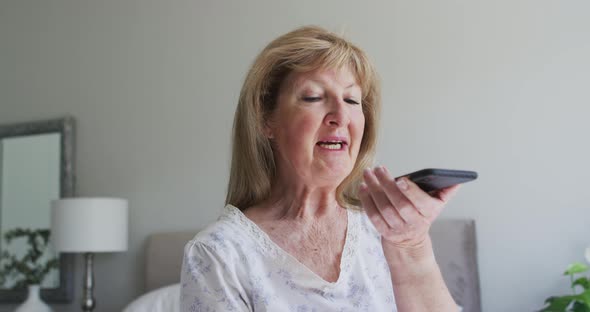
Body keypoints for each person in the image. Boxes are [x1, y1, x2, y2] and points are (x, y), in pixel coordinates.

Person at [180, 25, 461, 311]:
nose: (341, 116)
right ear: (266, 119)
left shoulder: (386, 228)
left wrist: (412, 247)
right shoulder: (218, 254)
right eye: (313, 97)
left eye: (352, 100)